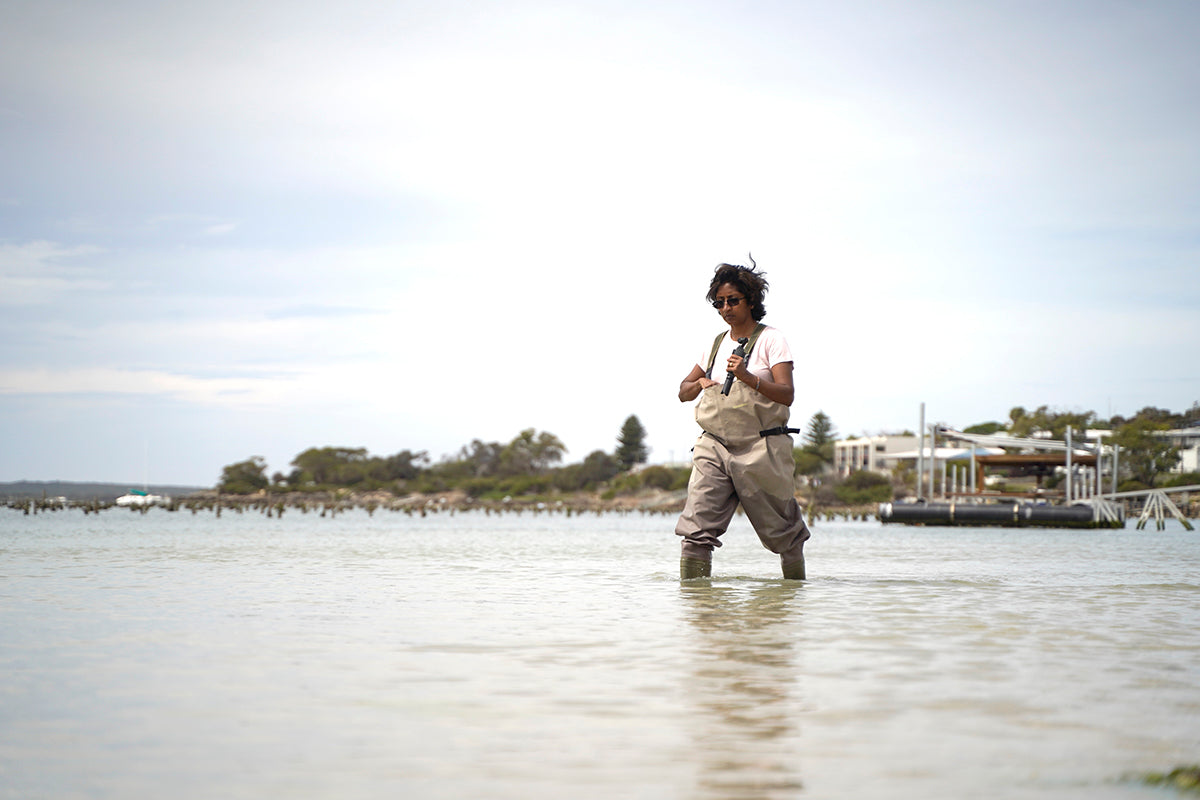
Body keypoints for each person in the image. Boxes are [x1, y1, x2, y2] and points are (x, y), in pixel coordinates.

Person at [675, 260, 811, 580]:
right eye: (719, 302)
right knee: (695, 534)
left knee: (785, 536)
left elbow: (786, 394)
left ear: (750, 300)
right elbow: (682, 392)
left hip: (762, 447)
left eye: (733, 300)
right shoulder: (715, 344)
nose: (726, 308)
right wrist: (700, 384)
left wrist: (747, 377)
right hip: (715, 446)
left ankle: (791, 603)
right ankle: (700, 617)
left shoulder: (772, 340)